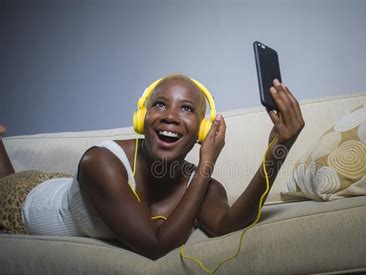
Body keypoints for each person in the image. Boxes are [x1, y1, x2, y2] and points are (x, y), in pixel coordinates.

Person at [0, 74, 304, 260]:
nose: (170, 116)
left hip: (62, 186)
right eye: (160, 104)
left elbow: (226, 223)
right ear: (141, 118)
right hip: (23, 203)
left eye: (186, 108)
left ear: (202, 129)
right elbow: (154, 246)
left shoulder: (198, 186)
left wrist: (279, 149)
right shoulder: (100, 162)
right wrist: (207, 163)